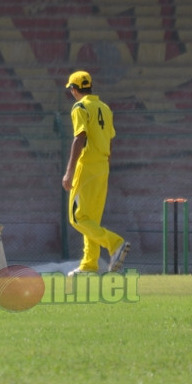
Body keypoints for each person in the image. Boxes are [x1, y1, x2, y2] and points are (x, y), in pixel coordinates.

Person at [61, 70, 130, 276]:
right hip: (102, 166)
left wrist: (69, 172)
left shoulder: (80, 106)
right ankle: (90, 264)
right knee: (91, 219)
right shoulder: (105, 108)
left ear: (74, 90)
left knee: (77, 218)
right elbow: (109, 140)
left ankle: (115, 244)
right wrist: (104, 166)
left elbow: (79, 138)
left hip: (87, 165)